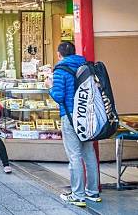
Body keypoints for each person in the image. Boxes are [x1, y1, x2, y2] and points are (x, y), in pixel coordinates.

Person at [45, 41, 100, 207]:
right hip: (87, 117)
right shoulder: (84, 66)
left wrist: (50, 86)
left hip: (69, 117)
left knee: (74, 156)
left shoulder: (60, 70)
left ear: (59, 54)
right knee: (89, 153)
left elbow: (59, 96)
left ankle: (78, 195)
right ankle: (93, 192)